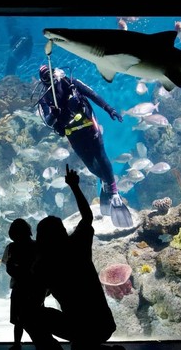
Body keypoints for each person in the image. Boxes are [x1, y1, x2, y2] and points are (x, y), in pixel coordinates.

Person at [33, 164, 129, 350]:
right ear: (62, 232)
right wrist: (74, 186)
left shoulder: (45, 263)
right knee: (81, 349)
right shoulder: (77, 245)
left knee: (33, 316)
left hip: (80, 326)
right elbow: (87, 218)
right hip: (103, 323)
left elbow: (36, 297)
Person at [36, 64, 133, 228]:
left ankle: (115, 193)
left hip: (89, 126)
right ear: (43, 81)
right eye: (46, 78)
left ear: (55, 73)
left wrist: (109, 109)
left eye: (51, 75)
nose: (51, 80)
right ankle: (104, 181)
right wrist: (54, 114)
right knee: (91, 166)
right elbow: (47, 121)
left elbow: (93, 95)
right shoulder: (44, 98)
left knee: (102, 157)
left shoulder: (71, 83)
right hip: (73, 134)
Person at [1, 218, 41, 350]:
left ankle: (17, 344)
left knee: (19, 320)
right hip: (35, 288)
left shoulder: (11, 247)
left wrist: (18, 273)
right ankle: (39, 346)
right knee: (36, 319)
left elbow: (8, 267)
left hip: (19, 287)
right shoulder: (37, 246)